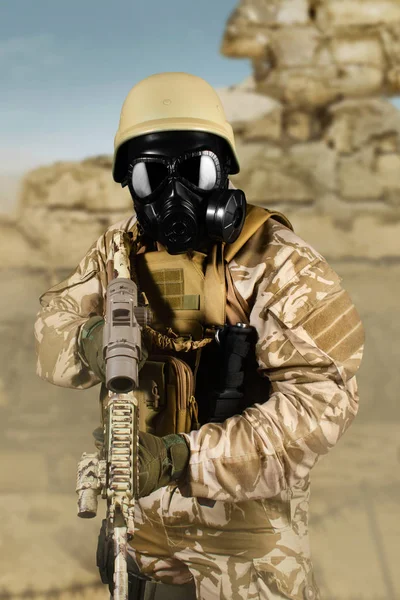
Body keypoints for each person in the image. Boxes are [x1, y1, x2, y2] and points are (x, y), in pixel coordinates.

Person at [34, 72, 365, 600]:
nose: (173, 196)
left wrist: (181, 457)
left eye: (196, 170)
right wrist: (90, 340)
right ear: (128, 184)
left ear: (225, 173)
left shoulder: (280, 264)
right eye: (149, 177)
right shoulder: (118, 254)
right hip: (139, 519)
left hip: (246, 532)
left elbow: (322, 404)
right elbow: (51, 331)